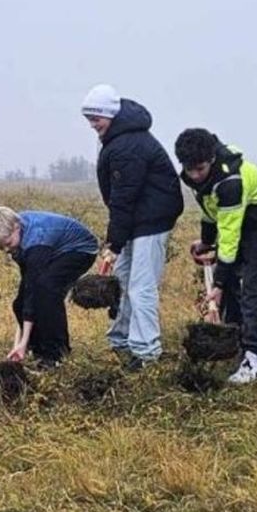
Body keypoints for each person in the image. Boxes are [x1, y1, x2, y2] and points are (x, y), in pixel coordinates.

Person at [82, 84, 184, 369]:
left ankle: (146, 352)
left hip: (151, 222)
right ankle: (122, 340)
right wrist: (116, 242)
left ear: (110, 115)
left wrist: (113, 245)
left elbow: (123, 199)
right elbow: (121, 201)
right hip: (136, 220)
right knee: (123, 281)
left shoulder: (128, 145)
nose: (92, 124)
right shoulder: (118, 138)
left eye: (96, 118)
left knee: (141, 287)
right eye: (88, 118)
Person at [173, 128, 257, 384]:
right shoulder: (196, 177)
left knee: (252, 286)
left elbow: (230, 236)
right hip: (235, 218)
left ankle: (255, 356)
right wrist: (207, 241)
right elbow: (211, 212)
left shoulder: (230, 181)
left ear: (211, 159)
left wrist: (218, 283)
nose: (195, 175)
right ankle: (234, 340)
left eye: (200, 169)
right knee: (232, 280)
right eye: (190, 170)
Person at [0, 205, 99, 366]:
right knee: (19, 303)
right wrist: (20, 342)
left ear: (16, 227)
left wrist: (22, 341)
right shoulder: (14, 230)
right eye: (1, 247)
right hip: (53, 249)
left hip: (80, 250)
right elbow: (27, 283)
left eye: (8, 243)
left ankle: (56, 353)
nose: (6, 250)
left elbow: (33, 293)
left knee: (46, 291)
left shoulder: (36, 242)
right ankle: (37, 348)